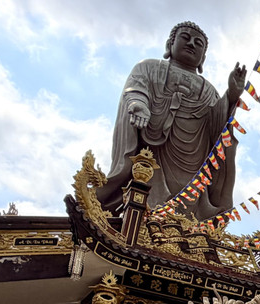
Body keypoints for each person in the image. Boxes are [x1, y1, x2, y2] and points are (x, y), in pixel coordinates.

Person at [96, 22, 246, 220]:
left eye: (198, 43)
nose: (191, 44)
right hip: (152, 151)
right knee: (145, 197)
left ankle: (185, 231)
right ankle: (138, 225)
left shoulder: (209, 90)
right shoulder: (148, 67)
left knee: (186, 212)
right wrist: (139, 104)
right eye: (185, 38)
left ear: (203, 58)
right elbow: (135, 89)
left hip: (192, 162)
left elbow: (218, 129)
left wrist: (231, 97)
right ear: (170, 44)